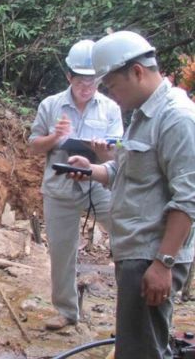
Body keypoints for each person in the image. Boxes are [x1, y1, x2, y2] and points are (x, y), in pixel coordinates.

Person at [67, 30, 195, 358]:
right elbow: (131, 174)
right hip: (136, 251)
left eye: (111, 86)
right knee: (142, 346)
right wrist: (92, 169)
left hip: (152, 255)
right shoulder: (141, 115)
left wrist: (163, 263)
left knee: (141, 352)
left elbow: (188, 198)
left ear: (136, 72)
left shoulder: (176, 118)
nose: (110, 95)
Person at [28, 39, 123, 330]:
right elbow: (33, 145)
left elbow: (118, 151)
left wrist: (102, 150)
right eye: (82, 80)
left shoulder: (110, 108)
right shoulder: (51, 105)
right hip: (60, 186)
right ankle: (67, 311)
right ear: (69, 76)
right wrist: (54, 139)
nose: (87, 86)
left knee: (125, 235)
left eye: (93, 80)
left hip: (99, 184)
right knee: (61, 250)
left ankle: (130, 306)